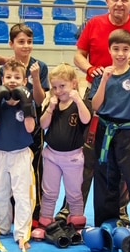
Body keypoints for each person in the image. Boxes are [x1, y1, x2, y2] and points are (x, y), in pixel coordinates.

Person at [89, 31, 130, 246]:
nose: (120, 54)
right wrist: (104, 80)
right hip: (106, 131)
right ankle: (105, 227)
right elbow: (95, 105)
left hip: (128, 133)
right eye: (116, 49)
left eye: (125, 49)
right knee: (105, 179)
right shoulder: (102, 74)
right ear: (109, 50)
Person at [0, 23, 49, 220]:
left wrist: (34, 78)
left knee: (33, 168)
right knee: (9, 172)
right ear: (11, 44)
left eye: (29, 41)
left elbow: (39, 100)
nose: (26, 46)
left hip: (32, 124)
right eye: (21, 42)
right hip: (10, 124)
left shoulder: (40, 67)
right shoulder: (5, 69)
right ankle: (10, 213)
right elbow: (4, 97)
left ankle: (34, 214)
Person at [0, 59, 38, 252]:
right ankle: (2, 228)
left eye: (17, 77)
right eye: (8, 77)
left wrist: (26, 106)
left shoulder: (27, 101)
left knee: (22, 195)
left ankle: (22, 234)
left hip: (20, 154)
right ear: (2, 79)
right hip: (1, 154)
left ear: (24, 81)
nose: (12, 80)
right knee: (0, 193)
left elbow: (30, 128)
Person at [38, 63, 91, 229]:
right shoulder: (52, 105)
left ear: (73, 84)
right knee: (49, 192)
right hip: (51, 156)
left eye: (62, 86)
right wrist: (50, 107)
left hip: (73, 158)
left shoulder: (80, 104)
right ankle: (45, 220)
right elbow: (43, 125)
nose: (58, 91)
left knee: (74, 192)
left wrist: (78, 100)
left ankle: (76, 221)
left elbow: (86, 119)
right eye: (54, 87)